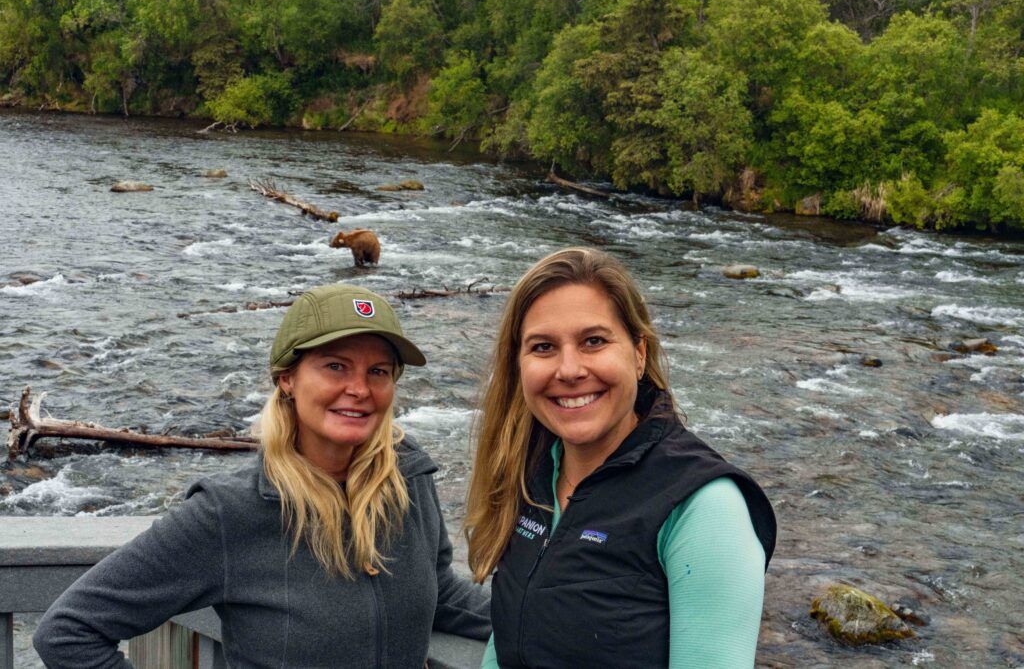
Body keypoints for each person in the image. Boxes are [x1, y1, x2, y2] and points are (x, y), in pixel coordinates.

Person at [34, 284, 490, 668]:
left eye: (379, 371)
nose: (360, 389)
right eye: (335, 366)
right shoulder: (229, 512)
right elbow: (69, 631)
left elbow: (439, 590)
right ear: (287, 378)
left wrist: (543, 619)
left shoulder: (408, 476)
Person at [465, 248, 776, 668]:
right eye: (543, 347)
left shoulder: (703, 507)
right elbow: (503, 647)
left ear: (639, 353)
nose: (569, 369)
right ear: (518, 364)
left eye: (594, 341)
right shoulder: (529, 474)